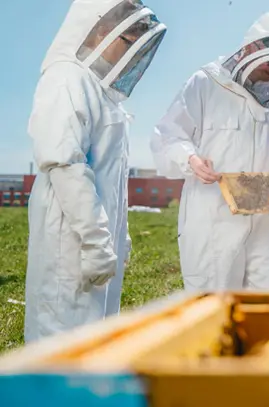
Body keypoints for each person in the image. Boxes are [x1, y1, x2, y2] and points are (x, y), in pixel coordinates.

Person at [25, 0, 166, 342]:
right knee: (61, 338)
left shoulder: (102, 92)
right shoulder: (66, 79)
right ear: (102, 29)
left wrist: (120, 235)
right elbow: (65, 165)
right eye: (128, 42)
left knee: (94, 339)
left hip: (95, 238)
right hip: (70, 240)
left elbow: (112, 177)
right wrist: (95, 241)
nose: (129, 54)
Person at [150, 9, 269, 293]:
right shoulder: (205, 83)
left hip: (268, 221)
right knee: (215, 306)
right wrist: (189, 159)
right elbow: (168, 136)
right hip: (215, 218)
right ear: (251, 48)